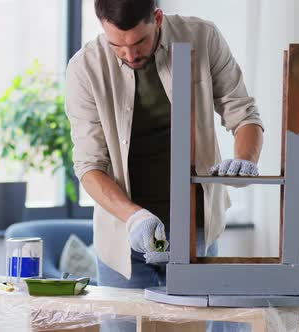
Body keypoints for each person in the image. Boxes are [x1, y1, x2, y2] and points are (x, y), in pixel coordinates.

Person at [65, 0, 263, 330]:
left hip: (195, 231)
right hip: (122, 241)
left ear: (157, 18)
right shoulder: (84, 68)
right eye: (117, 45)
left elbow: (244, 114)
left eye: (139, 42)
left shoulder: (202, 37)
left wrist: (245, 160)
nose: (129, 55)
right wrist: (135, 217)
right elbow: (89, 166)